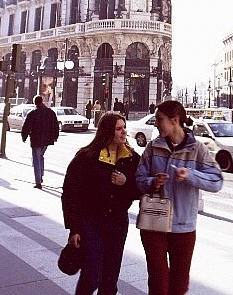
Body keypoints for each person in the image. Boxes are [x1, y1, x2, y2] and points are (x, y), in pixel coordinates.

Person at [136, 100, 223, 295]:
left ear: (175, 120)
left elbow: (216, 181)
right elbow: (139, 179)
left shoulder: (197, 149)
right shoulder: (153, 147)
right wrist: (152, 182)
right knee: (158, 283)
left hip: (183, 226)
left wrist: (191, 175)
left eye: (160, 119)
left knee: (179, 284)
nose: (156, 124)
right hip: (154, 223)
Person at [61, 112, 140, 295]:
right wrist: (74, 228)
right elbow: (71, 193)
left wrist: (126, 182)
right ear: (107, 131)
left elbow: (139, 190)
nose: (124, 133)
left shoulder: (131, 158)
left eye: (124, 128)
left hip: (117, 224)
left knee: (110, 277)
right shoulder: (86, 157)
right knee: (92, 274)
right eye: (118, 129)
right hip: (91, 222)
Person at [21, 95, 59, 189]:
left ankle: (38, 182)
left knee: (36, 159)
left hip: (36, 139)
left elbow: (26, 127)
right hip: (47, 140)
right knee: (41, 156)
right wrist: (55, 137)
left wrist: (24, 137)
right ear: (42, 101)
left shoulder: (32, 113)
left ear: (34, 103)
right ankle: (41, 175)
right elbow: (56, 125)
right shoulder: (50, 112)